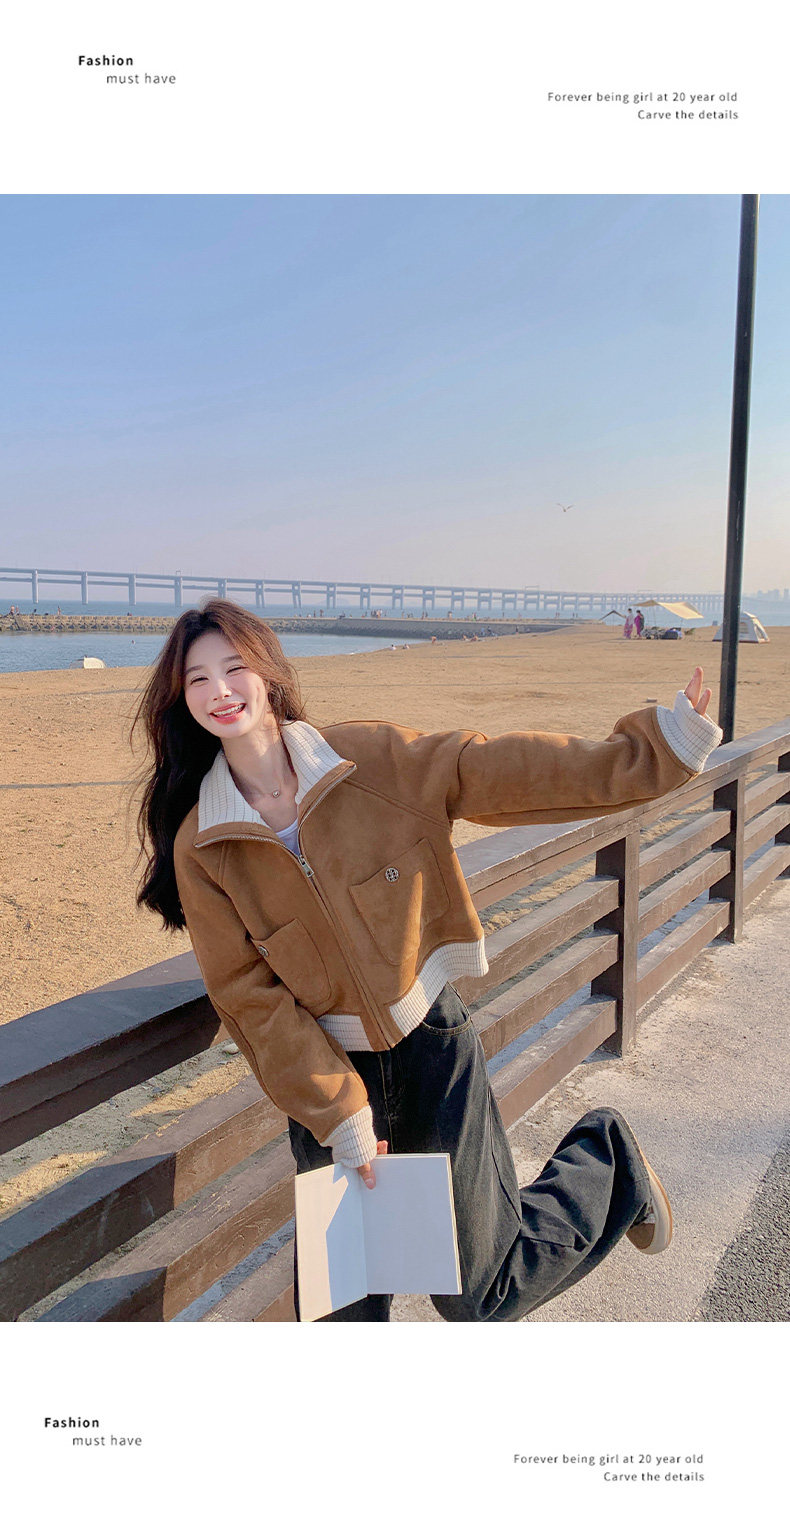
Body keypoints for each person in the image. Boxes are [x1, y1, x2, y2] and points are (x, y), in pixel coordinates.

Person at [135, 599, 722, 1323]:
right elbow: (246, 993)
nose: (220, 690)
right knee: (342, 1314)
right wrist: (338, 1110)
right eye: (198, 678)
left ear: (270, 674)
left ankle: (608, 1160)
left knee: (481, 1293)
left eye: (235, 668)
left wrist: (656, 751)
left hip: (432, 1049)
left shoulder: (369, 760)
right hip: (330, 1076)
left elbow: (501, 770)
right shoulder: (202, 842)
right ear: (181, 699)